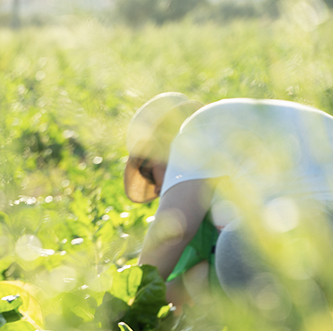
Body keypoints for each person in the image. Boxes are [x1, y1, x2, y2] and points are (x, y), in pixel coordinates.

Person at [127, 93, 333, 309]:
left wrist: (129, 300)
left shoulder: (197, 129)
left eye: (147, 173)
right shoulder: (231, 159)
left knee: (237, 245)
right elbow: (197, 280)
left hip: (318, 224)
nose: (157, 189)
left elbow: (173, 231)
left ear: (159, 145)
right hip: (315, 228)